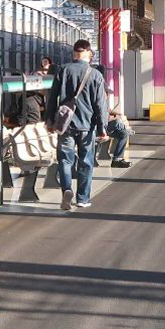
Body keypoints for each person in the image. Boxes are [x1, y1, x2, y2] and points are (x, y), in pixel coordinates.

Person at [51, 39, 106, 211]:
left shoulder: (63, 70)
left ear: (74, 53)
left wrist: (49, 121)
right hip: (87, 126)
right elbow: (100, 104)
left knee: (65, 160)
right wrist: (102, 127)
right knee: (86, 162)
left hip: (65, 125)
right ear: (88, 53)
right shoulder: (95, 74)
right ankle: (82, 198)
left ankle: (67, 189)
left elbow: (52, 97)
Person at [105, 87, 132, 168]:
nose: (108, 95)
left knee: (124, 134)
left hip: (107, 126)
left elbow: (109, 111)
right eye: (106, 93)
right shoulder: (97, 102)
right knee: (117, 122)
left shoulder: (105, 102)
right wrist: (115, 118)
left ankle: (116, 160)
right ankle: (125, 128)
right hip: (101, 127)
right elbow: (101, 117)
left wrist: (118, 114)